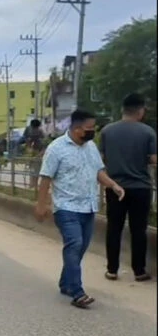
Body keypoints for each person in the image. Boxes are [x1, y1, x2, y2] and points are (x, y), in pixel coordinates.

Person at [34, 109, 125, 309]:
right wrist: (41, 204)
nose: (93, 131)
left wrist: (113, 185)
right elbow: (46, 177)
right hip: (66, 207)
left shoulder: (90, 147)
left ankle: (66, 283)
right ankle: (77, 292)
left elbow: (98, 171)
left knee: (79, 248)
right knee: (74, 244)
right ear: (76, 129)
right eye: (89, 128)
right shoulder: (56, 148)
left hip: (88, 206)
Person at [100, 93, 156, 282]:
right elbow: (154, 159)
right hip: (141, 188)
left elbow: (101, 158)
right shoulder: (148, 132)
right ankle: (139, 271)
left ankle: (112, 270)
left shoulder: (107, 131)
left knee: (113, 228)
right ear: (140, 111)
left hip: (115, 187)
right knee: (138, 230)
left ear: (122, 110)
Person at [23, 119, 46, 189]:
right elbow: (25, 139)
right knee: (32, 169)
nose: (34, 130)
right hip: (31, 151)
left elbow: (44, 145)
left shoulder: (40, 132)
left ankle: (34, 185)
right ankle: (31, 185)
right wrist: (28, 147)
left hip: (38, 151)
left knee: (36, 169)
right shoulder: (28, 129)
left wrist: (41, 153)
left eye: (36, 128)